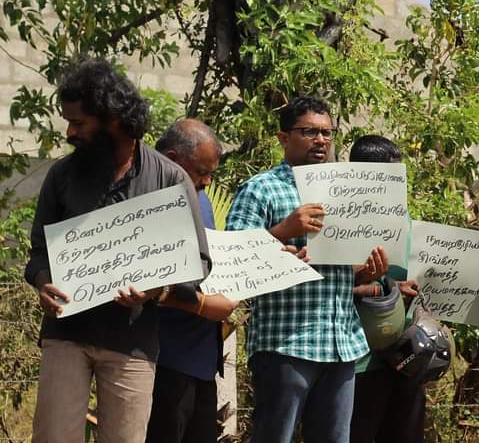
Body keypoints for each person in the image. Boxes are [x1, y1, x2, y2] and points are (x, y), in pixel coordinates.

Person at [24, 59, 211, 443]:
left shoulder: (169, 180)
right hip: (67, 334)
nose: (70, 132)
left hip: (132, 342)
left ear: (112, 121)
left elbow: (198, 263)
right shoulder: (62, 175)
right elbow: (39, 252)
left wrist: (154, 289)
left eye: (79, 123)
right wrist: (44, 283)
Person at [225, 96, 389, 443]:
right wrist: (282, 230)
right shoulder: (261, 189)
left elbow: (345, 270)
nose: (321, 140)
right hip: (286, 343)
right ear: (284, 138)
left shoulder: (346, 193)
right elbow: (233, 259)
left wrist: (366, 272)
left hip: (342, 342)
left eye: (327, 133)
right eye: (310, 132)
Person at [146, 119, 240, 443]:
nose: (208, 180)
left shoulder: (199, 196)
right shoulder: (141, 198)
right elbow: (141, 282)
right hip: (162, 357)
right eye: (201, 171)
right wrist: (201, 305)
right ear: (172, 158)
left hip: (202, 358)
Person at [347, 134, 424, 443]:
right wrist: (385, 290)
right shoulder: (342, 222)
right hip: (361, 360)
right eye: (391, 177)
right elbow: (331, 286)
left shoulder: (402, 216)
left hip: (407, 354)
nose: (398, 185)